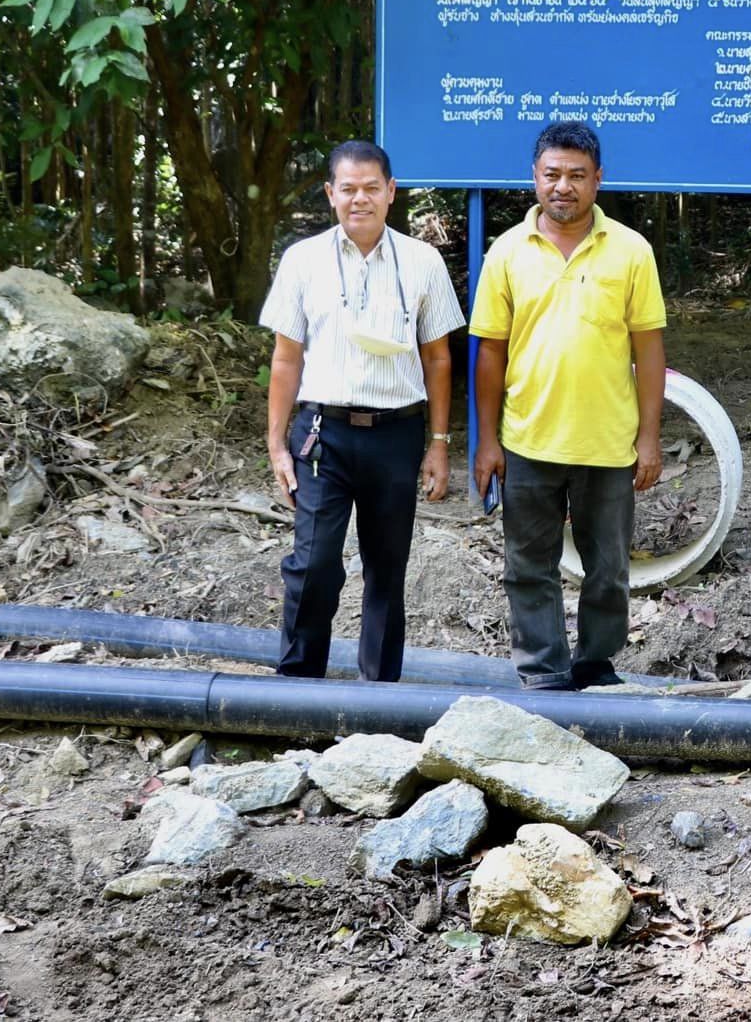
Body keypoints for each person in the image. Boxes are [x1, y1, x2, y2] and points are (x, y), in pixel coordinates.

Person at [470, 122, 666, 691]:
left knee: (609, 568)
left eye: (577, 176)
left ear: (598, 180)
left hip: (608, 441)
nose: (564, 187)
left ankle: (595, 665)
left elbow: (648, 348)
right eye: (552, 174)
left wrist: (649, 436)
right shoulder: (507, 252)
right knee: (529, 566)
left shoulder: (631, 250)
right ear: (534, 178)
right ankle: (544, 673)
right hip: (528, 439)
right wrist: (487, 440)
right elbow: (490, 354)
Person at [261, 140, 464, 681]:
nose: (360, 199)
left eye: (372, 188)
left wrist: (439, 446)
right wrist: (277, 444)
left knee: (386, 569)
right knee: (313, 563)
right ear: (330, 194)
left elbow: (439, 358)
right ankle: (297, 686)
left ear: (391, 192)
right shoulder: (303, 260)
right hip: (324, 433)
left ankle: (380, 697)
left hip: (397, 434)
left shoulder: (422, 262)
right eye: (348, 189)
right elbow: (286, 359)